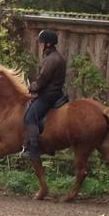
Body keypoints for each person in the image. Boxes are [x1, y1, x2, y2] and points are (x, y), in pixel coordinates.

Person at [21, 29, 67, 158]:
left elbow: (42, 80)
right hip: (56, 92)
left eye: (41, 42)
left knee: (30, 117)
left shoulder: (52, 59)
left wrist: (31, 88)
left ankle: (33, 149)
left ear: (47, 44)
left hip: (48, 95)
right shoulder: (55, 56)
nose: (39, 44)